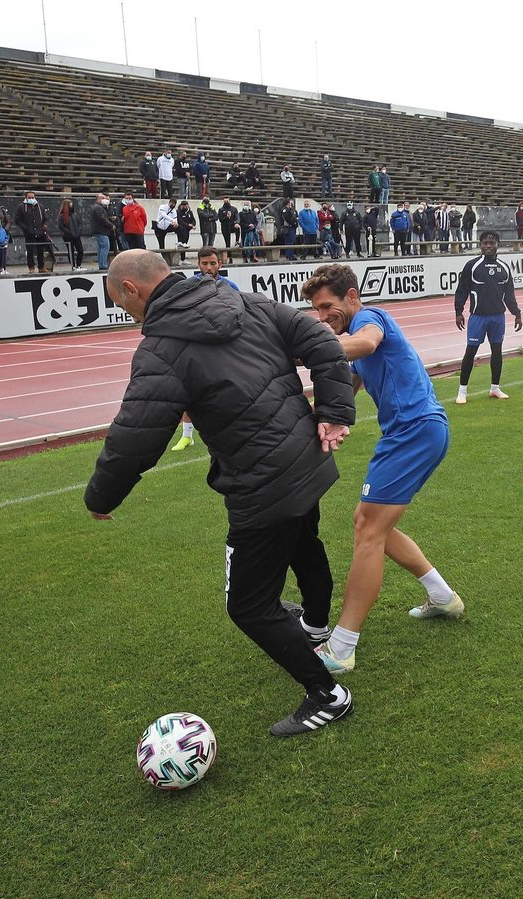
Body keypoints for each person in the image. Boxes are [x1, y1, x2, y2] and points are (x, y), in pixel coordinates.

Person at [85, 250, 357, 737]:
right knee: (302, 542)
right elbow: (322, 342)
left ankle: (328, 695)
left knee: (248, 606)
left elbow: (135, 436)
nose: (129, 315)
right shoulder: (245, 300)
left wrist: (100, 497)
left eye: (123, 305)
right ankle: (315, 627)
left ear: (132, 289)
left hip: (263, 482)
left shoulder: (162, 348)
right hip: (307, 458)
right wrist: (334, 410)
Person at [303, 264, 461, 676]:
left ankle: (340, 648)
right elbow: (342, 393)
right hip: (414, 432)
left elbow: (368, 344)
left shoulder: (369, 319)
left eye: (327, 307)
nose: (322, 318)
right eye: (316, 313)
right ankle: (442, 596)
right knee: (369, 523)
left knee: (367, 532)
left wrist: (310, 348)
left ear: (352, 297)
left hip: (415, 431)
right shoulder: (351, 339)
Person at [168, 247, 242, 453]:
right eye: (204, 263)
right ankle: (186, 436)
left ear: (220, 264)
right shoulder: (188, 286)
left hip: (224, 346)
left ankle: (230, 429)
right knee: (190, 389)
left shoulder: (230, 287)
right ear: (198, 265)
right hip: (197, 345)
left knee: (229, 390)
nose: (208, 268)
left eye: (212, 263)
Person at [454, 232, 523, 404]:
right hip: (478, 317)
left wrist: (517, 313)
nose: (488, 246)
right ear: (480, 245)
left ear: (497, 244)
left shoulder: (504, 267)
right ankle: (462, 391)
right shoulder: (472, 265)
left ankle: (495, 388)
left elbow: (509, 294)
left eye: (492, 243)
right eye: (485, 243)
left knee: (497, 351)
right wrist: (458, 311)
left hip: (498, 317)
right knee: (470, 352)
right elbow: (461, 290)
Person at [16, 193, 54, 273]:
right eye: (29, 197)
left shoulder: (40, 207)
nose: (31, 199)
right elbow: (18, 220)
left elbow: (45, 219)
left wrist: (45, 225)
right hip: (29, 233)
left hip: (40, 233)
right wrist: (25, 228)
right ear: (26, 198)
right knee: (30, 251)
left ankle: (41, 267)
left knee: (40, 251)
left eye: (32, 197)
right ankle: (31, 267)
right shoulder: (21, 207)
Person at [89, 194, 115, 271]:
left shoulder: (98, 207)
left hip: (99, 230)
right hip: (101, 230)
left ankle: (102, 264)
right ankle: (103, 265)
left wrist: (110, 218)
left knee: (101, 247)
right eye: (103, 198)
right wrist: (111, 225)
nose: (105, 199)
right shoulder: (98, 207)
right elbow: (101, 218)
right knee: (105, 246)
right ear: (98, 199)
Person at [59, 199, 86, 272]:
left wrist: (79, 231)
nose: (71, 206)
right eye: (70, 205)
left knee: (80, 250)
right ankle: (73, 266)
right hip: (68, 236)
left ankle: (78, 265)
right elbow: (61, 226)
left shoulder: (75, 214)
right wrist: (68, 232)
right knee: (71, 251)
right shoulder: (62, 216)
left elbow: (79, 223)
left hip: (76, 236)